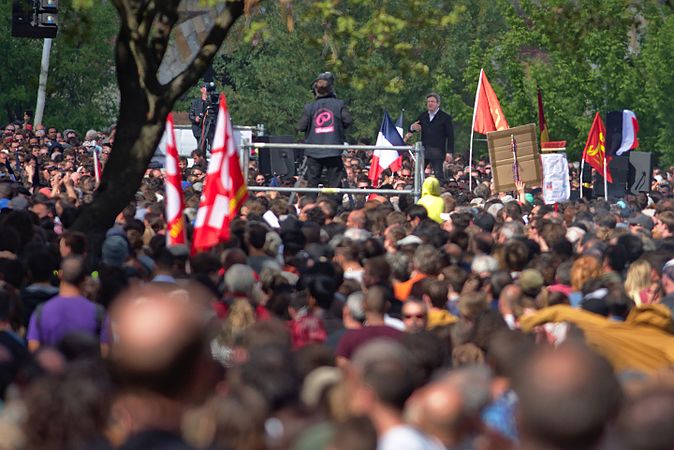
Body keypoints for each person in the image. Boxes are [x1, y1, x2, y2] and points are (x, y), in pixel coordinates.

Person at [297, 72, 352, 190]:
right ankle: (333, 203)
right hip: (333, 150)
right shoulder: (338, 104)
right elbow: (347, 120)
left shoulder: (310, 107)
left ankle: (310, 203)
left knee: (312, 183)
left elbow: (301, 126)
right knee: (334, 183)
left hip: (314, 152)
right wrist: (337, 129)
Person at [405, 93, 454, 184]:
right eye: (428, 102)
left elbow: (450, 136)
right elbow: (413, 127)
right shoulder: (423, 116)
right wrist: (412, 127)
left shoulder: (445, 117)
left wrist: (449, 152)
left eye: (432, 101)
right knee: (418, 174)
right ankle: (415, 192)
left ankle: (439, 193)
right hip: (424, 150)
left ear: (438, 103)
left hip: (438, 151)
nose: (430, 104)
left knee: (438, 175)